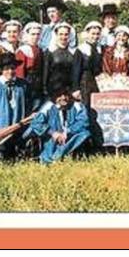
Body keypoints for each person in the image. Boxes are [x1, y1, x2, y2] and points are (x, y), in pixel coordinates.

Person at [26, 86, 92, 164]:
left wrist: (68, 131)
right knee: (49, 149)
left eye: (65, 94)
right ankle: (53, 158)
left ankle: (61, 157)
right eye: (59, 95)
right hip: (53, 138)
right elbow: (36, 123)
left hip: (70, 137)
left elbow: (84, 122)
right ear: (54, 96)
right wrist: (53, 133)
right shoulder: (48, 106)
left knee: (85, 133)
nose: (63, 98)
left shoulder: (77, 105)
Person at [72, 21, 104, 150]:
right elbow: (75, 70)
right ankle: (84, 144)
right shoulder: (81, 49)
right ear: (87, 34)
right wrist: (75, 89)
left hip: (96, 83)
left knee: (95, 112)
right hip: (84, 82)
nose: (95, 36)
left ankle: (96, 143)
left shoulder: (99, 48)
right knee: (85, 112)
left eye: (97, 34)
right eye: (92, 33)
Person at [42, 22, 77, 98]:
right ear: (56, 35)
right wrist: (45, 89)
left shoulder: (73, 52)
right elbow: (45, 72)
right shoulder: (50, 52)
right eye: (61, 34)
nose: (63, 37)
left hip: (69, 90)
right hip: (54, 89)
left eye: (66, 34)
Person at [16, 21, 44, 113]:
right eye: (33, 34)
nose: (35, 36)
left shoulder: (40, 49)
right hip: (27, 82)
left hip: (38, 83)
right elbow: (20, 71)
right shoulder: (23, 50)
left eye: (38, 34)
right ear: (27, 35)